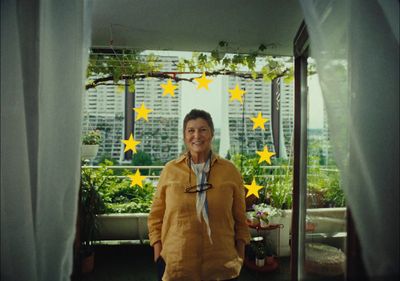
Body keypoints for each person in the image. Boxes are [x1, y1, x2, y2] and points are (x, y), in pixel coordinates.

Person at [148, 109, 250, 281]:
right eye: (191, 130)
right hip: (176, 266)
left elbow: (240, 218)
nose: (197, 135)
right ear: (184, 136)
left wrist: (240, 256)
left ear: (211, 134)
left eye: (203, 129)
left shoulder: (230, 171)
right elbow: (155, 217)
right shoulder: (170, 170)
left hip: (222, 267)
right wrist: (158, 255)